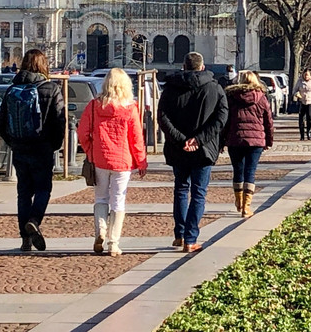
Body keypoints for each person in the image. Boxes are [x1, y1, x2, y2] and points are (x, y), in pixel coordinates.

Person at [0, 48, 67, 252]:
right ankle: (35, 221)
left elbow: (1, 122)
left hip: (20, 148)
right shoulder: (51, 88)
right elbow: (59, 120)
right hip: (42, 148)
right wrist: (54, 145)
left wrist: (12, 142)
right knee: (44, 189)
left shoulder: (12, 89)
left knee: (23, 193)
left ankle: (25, 239)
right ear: (43, 65)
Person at [157, 51, 227, 253]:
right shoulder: (214, 87)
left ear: (184, 66)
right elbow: (221, 118)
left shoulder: (171, 87)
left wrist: (180, 140)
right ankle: (190, 238)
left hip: (178, 148)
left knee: (180, 189)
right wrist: (199, 139)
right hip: (203, 149)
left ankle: (179, 234)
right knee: (198, 193)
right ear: (202, 67)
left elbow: (163, 117)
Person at [78, 68, 148, 256]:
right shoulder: (130, 108)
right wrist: (141, 161)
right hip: (123, 161)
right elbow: (136, 138)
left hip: (100, 158)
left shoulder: (94, 106)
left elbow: (82, 132)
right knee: (118, 200)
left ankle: (100, 231)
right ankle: (113, 242)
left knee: (101, 198)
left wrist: (90, 150)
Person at [223, 71, 274, 218]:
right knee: (250, 172)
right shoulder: (261, 98)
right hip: (256, 140)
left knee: (238, 171)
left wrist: (223, 139)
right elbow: (268, 122)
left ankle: (239, 202)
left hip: (235, 138)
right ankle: (246, 206)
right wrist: (269, 140)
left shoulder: (232, 97)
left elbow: (226, 121)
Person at [292, 69, 311, 141]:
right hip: (302, 101)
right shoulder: (300, 81)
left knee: (310, 118)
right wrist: (296, 94)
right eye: (305, 75)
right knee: (301, 118)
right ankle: (302, 134)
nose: (306, 76)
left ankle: (308, 131)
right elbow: (294, 90)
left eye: (307, 75)